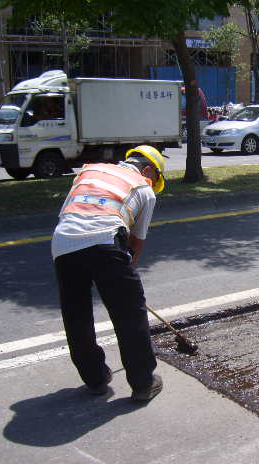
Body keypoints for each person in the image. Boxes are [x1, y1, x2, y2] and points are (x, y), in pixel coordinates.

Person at [51, 145, 166, 402]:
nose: (152, 182)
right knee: (130, 316)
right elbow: (136, 242)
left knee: (77, 316)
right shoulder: (144, 188)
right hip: (106, 242)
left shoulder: (89, 171)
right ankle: (143, 383)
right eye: (155, 178)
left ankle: (95, 379)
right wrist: (126, 283)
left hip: (63, 243)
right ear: (148, 170)